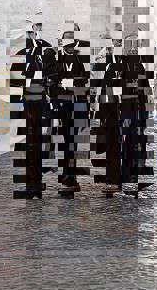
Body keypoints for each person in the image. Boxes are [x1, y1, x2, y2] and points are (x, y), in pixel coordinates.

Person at [11, 22, 56, 199]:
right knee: (31, 145)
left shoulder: (47, 53)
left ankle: (36, 183)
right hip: (29, 105)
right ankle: (33, 185)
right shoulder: (22, 54)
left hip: (42, 105)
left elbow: (53, 78)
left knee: (39, 144)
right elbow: (14, 81)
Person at [53, 27, 89, 195]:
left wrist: (70, 84)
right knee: (67, 140)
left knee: (72, 141)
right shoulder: (57, 58)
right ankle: (68, 174)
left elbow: (86, 80)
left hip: (78, 104)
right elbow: (54, 81)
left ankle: (70, 177)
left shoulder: (81, 58)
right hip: (63, 105)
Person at [118, 37, 151, 195]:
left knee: (139, 144)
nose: (134, 51)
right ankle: (127, 178)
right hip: (128, 111)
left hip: (139, 111)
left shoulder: (139, 66)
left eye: (135, 48)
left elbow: (146, 90)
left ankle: (137, 176)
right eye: (131, 48)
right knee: (128, 145)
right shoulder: (122, 66)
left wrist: (145, 113)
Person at [93, 37, 123, 195]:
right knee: (111, 145)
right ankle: (112, 179)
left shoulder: (121, 63)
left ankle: (115, 180)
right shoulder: (107, 62)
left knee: (115, 146)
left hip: (116, 111)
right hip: (108, 110)